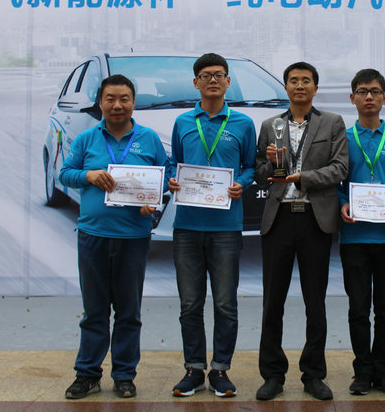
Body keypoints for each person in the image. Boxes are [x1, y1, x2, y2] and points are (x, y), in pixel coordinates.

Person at [59, 74, 168, 400]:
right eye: (110, 99)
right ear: (100, 103)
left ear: (134, 103)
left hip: (133, 238)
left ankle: (124, 376)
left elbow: (165, 177)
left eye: (124, 99)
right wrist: (89, 175)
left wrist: (153, 200)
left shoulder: (149, 139)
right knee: (94, 312)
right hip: (92, 236)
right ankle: (87, 374)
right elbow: (65, 174)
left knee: (128, 313)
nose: (117, 105)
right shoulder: (87, 139)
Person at [254, 61, 348, 401]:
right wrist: (270, 163)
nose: (299, 86)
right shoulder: (270, 125)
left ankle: (314, 374)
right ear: (286, 87)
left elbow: (340, 168)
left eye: (306, 80)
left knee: (315, 301)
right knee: (272, 302)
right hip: (279, 220)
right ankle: (272, 375)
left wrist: (303, 178)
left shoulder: (332, 122)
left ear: (315, 88)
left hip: (314, 219)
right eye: (293, 80)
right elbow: (259, 175)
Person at [167, 53, 257, 398]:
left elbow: (251, 166)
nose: (213, 80)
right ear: (196, 83)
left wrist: (242, 184)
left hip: (226, 227)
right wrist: (173, 180)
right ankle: (194, 369)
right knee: (190, 304)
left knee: (225, 303)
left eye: (219, 75)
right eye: (206, 75)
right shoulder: (183, 122)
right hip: (187, 227)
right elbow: (175, 163)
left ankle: (220, 369)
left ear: (228, 81)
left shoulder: (242, 124)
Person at [338, 69, 385, 396]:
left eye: (374, 91)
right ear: (352, 97)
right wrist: (342, 203)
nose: (368, 96)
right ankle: (362, 371)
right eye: (362, 91)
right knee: (358, 310)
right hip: (354, 238)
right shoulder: (342, 138)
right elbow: (336, 183)